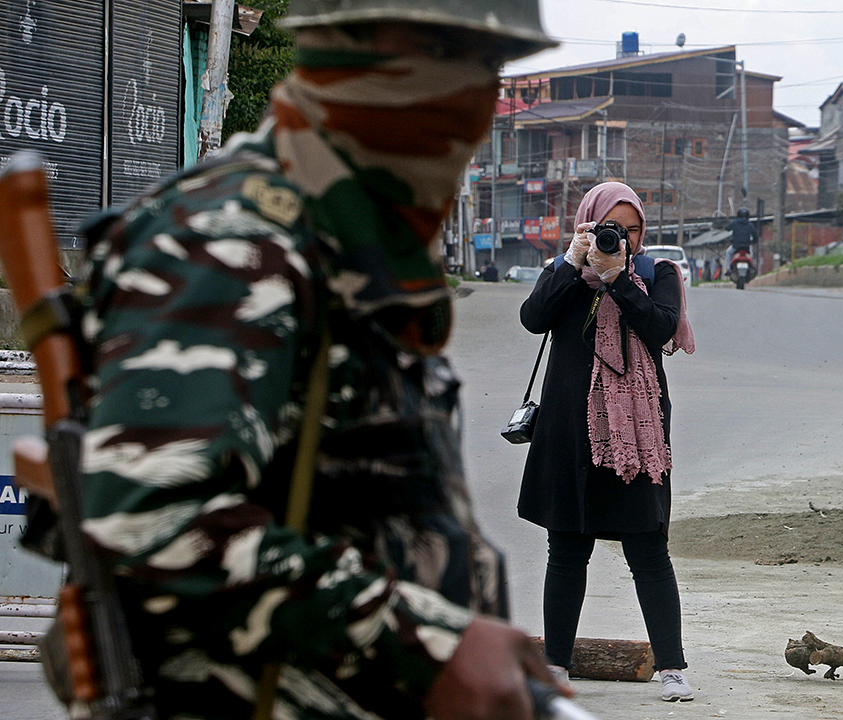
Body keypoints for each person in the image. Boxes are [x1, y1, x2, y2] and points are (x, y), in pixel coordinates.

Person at [67, 2, 566, 719]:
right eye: (435, 52)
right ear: (342, 50)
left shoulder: (352, 242)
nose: (466, 97)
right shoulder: (232, 244)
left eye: (487, 65)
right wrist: (420, 644)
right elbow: (148, 527)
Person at [518, 182, 696, 702]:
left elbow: (660, 328)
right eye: (611, 227)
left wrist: (620, 281)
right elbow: (533, 320)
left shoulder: (656, 274)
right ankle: (555, 665)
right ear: (588, 224)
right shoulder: (564, 272)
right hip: (571, 428)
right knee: (567, 546)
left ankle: (672, 667)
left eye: (632, 228)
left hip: (635, 433)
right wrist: (574, 264)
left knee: (648, 544)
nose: (623, 237)